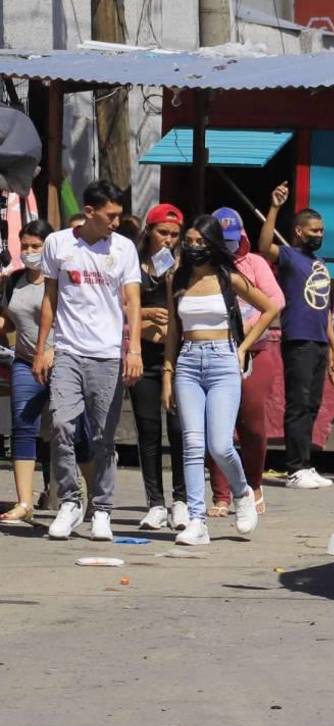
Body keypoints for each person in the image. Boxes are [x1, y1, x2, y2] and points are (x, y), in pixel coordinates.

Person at [162, 214, 280, 545]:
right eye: (190, 241)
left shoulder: (230, 278)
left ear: (213, 244)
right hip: (187, 360)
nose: (194, 247)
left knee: (220, 444)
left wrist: (243, 347)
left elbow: (270, 308)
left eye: (201, 242)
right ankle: (197, 521)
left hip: (222, 360)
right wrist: (168, 375)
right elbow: (173, 329)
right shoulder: (178, 279)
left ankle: (242, 492)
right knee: (193, 444)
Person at [36, 180, 143, 541]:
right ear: (89, 212)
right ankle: (70, 501)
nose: (116, 222)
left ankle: (102, 510)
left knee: (103, 437)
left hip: (108, 355)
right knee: (62, 426)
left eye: (119, 215)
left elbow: (132, 302)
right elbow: (50, 298)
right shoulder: (58, 243)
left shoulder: (125, 248)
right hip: (67, 350)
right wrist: (43, 346)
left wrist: (134, 349)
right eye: (110, 215)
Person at [0, 220, 94, 524]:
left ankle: (94, 497)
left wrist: (55, 351)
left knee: (74, 429)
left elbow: (78, 319)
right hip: (25, 362)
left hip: (63, 361)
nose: (29, 252)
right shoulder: (14, 282)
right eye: (24, 246)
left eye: (35, 246)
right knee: (23, 427)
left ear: (48, 246)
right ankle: (25, 502)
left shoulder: (62, 280)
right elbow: (10, 322)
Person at [259, 182, 334, 489]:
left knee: (312, 405)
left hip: (320, 340)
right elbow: (265, 245)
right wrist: (275, 207)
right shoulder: (290, 257)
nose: (319, 235)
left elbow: (327, 310)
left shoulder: (319, 263)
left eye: (321, 231)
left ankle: (306, 464)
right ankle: (294, 467)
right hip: (298, 339)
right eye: (314, 230)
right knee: (298, 402)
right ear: (299, 231)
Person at [206, 207, 283, 516]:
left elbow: (276, 301)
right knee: (217, 426)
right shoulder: (204, 267)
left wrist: (248, 326)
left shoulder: (254, 264)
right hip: (214, 350)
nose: (229, 245)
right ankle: (221, 495)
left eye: (233, 239)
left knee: (251, 424)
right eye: (222, 240)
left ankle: (253, 485)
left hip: (255, 351)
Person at [130, 203, 189, 530]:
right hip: (143, 355)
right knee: (148, 430)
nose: (167, 240)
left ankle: (180, 499)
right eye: (162, 233)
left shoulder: (179, 269)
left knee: (179, 430)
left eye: (174, 235)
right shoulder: (135, 267)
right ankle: (155, 502)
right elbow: (121, 306)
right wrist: (148, 315)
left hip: (176, 358)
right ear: (149, 232)